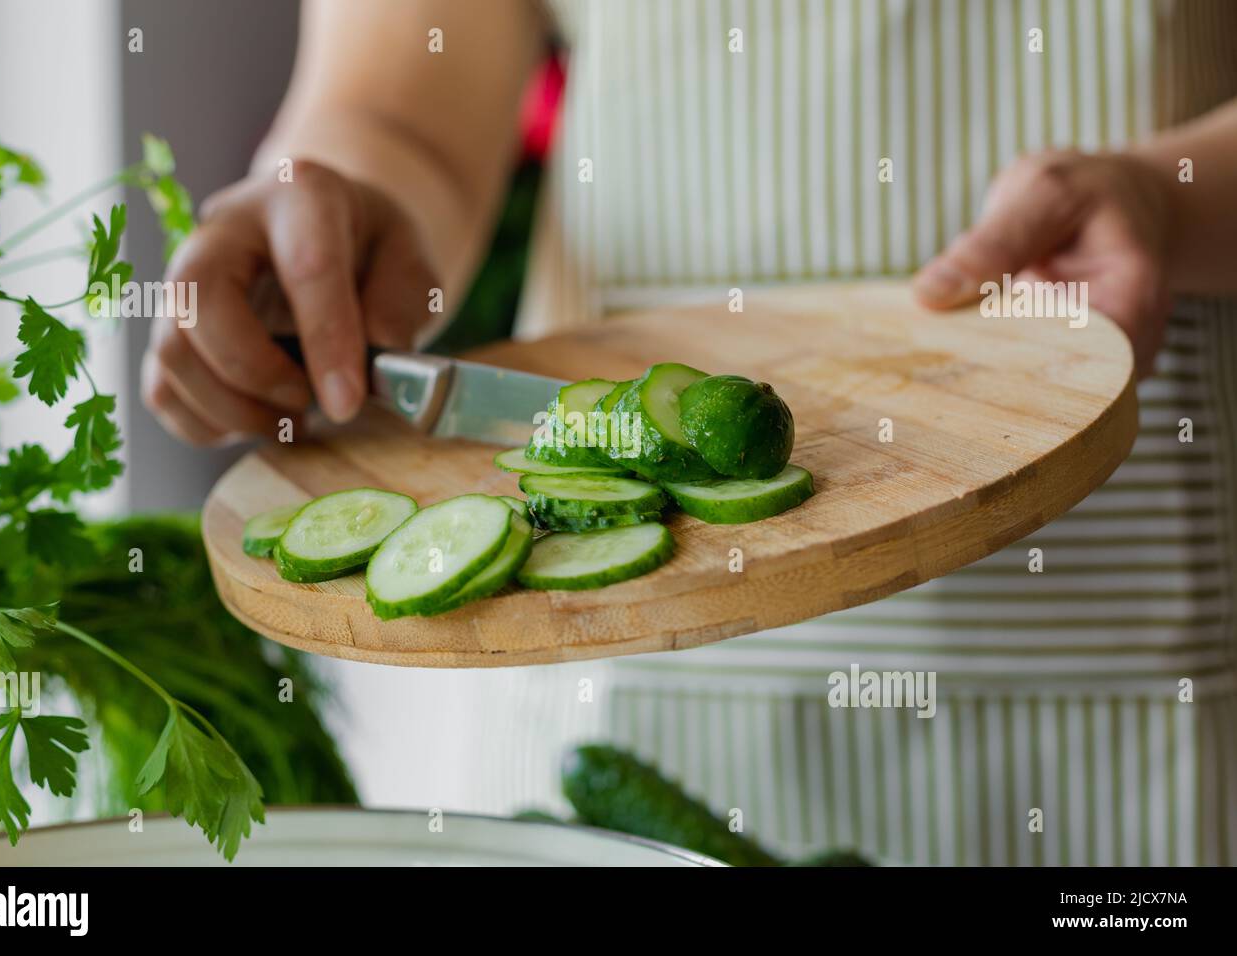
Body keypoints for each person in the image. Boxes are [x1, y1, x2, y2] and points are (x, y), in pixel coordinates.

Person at [143, 0, 1237, 864]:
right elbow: (398, 101)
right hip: (618, 645)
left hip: (1124, 648)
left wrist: (1174, 198)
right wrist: (326, 210)